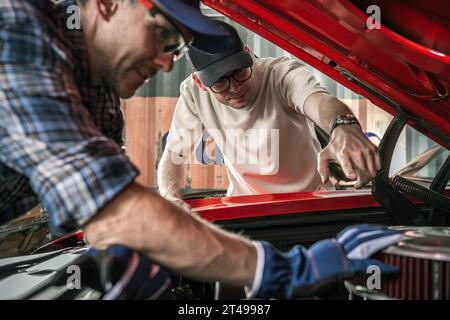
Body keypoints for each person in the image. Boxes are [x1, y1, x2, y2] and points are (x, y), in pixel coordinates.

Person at [0, 0, 399, 299]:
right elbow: (117, 208)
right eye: (163, 36)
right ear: (107, 3)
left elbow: (107, 220)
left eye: (175, 48)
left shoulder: (100, 101)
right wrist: (288, 270)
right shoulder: (19, 31)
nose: (167, 64)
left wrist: (342, 125)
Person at [158, 21, 381, 210]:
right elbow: (174, 155)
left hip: (310, 203)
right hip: (244, 207)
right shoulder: (193, 93)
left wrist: (343, 126)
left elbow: (321, 102)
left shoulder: (281, 74)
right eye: (220, 82)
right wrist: (170, 198)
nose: (235, 88)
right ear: (200, 82)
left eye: (239, 72)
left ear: (248, 54)